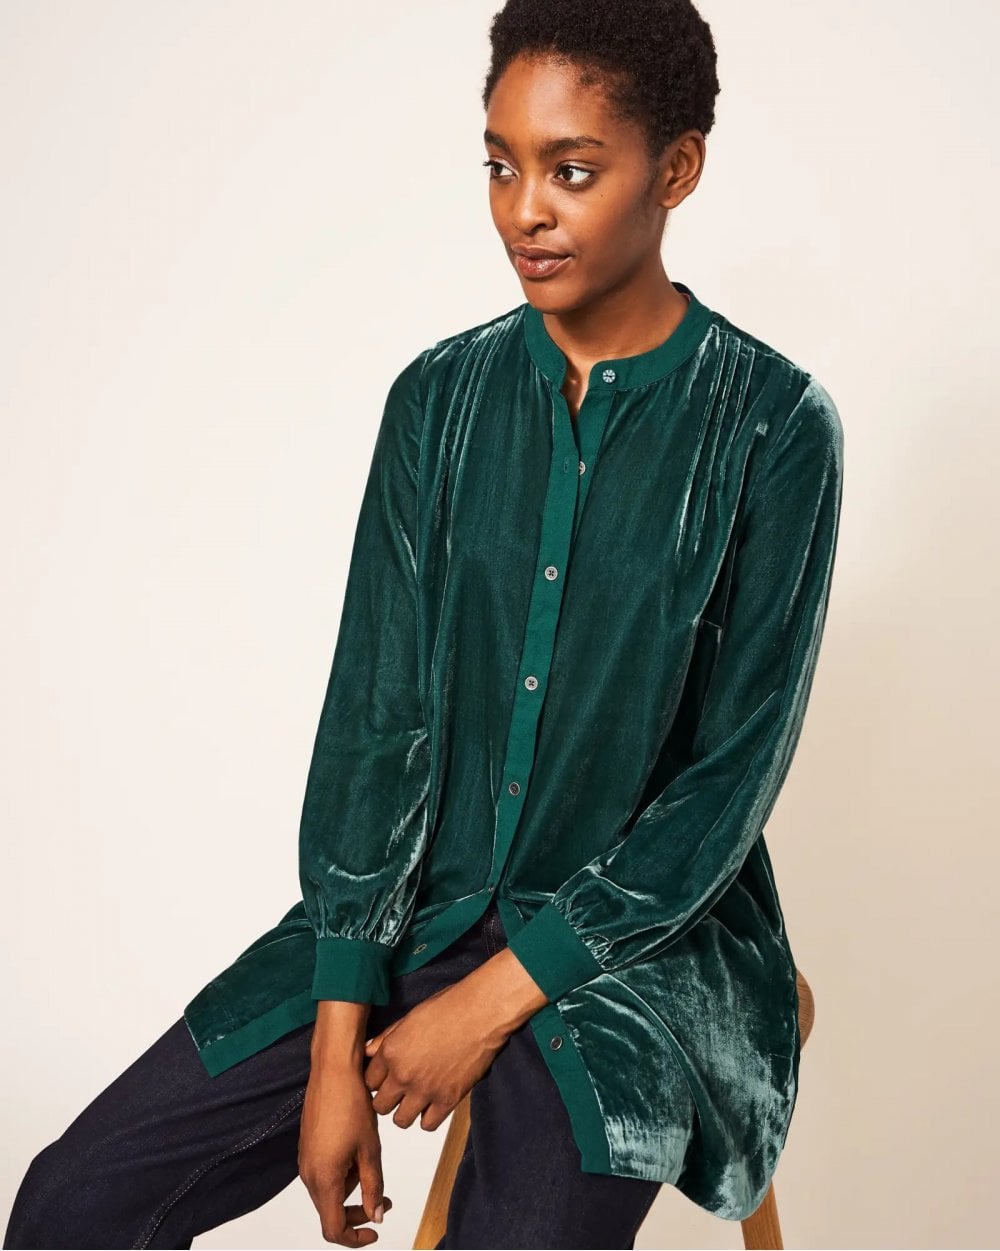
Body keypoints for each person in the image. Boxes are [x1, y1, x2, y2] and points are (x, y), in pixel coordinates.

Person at [4, 1, 845, 1248]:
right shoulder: (439, 402)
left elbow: (725, 787)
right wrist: (335, 1047)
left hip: (633, 954)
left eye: (571, 171)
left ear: (675, 170)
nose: (524, 211)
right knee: (72, 1204)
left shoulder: (773, 427)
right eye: (501, 166)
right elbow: (376, 724)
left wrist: (488, 1005)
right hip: (415, 913)